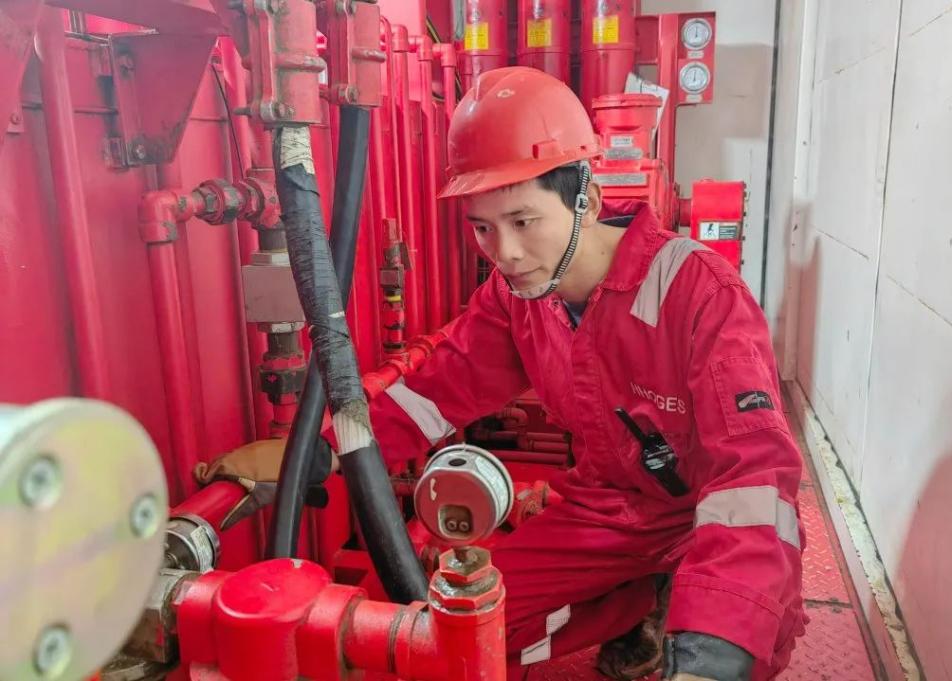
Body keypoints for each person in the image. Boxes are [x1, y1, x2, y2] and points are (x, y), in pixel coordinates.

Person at [201, 67, 807, 681]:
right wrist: (319, 451)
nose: (506, 253)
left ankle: (682, 601)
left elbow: (752, 477)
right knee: (456, 631)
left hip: (705, 514)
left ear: (586, 199)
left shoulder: (699, 292)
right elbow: (439, 390)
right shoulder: (518, 297)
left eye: (523, 220)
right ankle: (641, 599)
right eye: (482, 227)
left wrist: (711, 651)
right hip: (610, 510)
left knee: (750, 634)